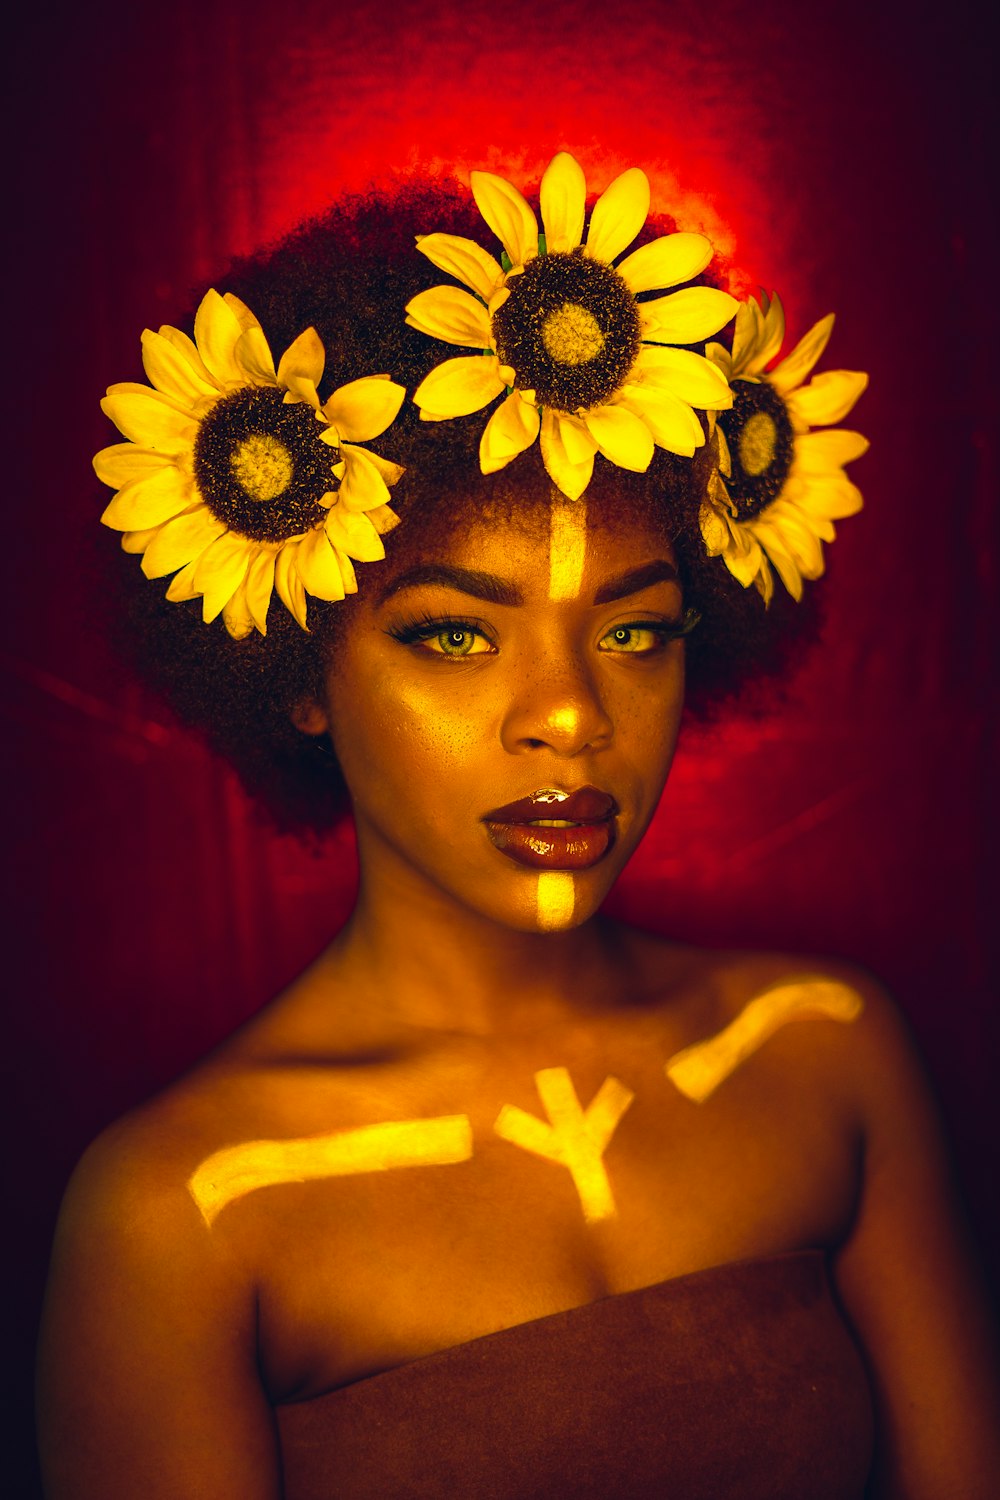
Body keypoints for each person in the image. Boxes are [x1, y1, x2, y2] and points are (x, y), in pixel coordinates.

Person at [37, 154, 1000, 1498]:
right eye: (452, 636)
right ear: (299, 670)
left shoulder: (824, 1058)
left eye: (636, 631)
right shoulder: (187, 1214)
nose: (569, 717)